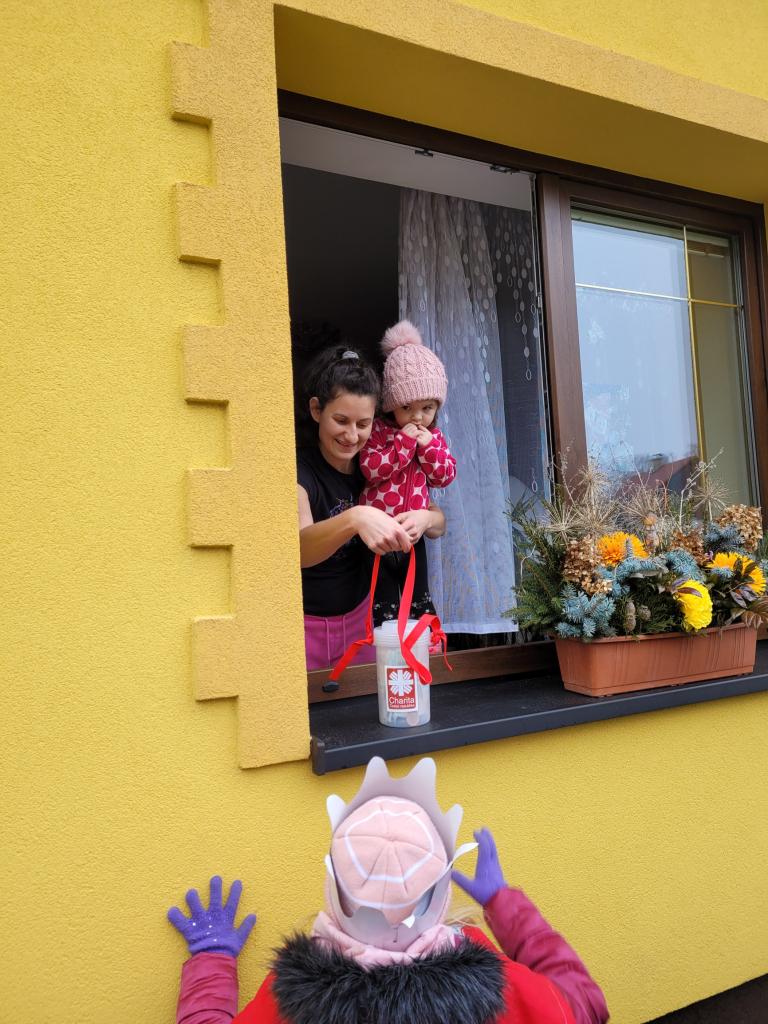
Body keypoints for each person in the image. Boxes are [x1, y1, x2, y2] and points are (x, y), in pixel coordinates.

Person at [168, 757, 610, 1024]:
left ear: (334, 890)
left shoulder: (291, 1002)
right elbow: (585, 1006)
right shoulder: (499, 987)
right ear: (440, 897)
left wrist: (212, 958)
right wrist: (504, 905)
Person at [296, 345, 445, 671]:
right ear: (316, 410)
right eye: (341, 420)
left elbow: (439, 523)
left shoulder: (378, 465)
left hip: (365, 622)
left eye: (363, 424)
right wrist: (356, 518)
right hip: (303, 626)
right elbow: (300, 549)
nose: (351, 436)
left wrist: (426, 517)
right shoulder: (300, 471)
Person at [359, 321, 457, 624]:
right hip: (378, 536)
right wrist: (402, 445)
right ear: (391, 406)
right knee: (384, 602)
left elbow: (444, 476)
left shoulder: (434, 437)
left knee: (418, 597)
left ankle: (424, 639)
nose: (417, 417)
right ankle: (385, 640)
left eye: (427, 408)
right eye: (407, 407)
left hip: (414, 536)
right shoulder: (379, 431)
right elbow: (371, 469)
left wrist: (427, 448)